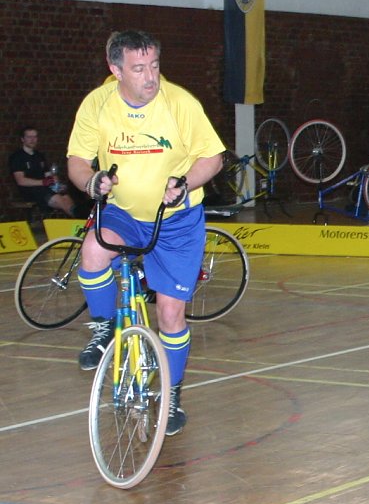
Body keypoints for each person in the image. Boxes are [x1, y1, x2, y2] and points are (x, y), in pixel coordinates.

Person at [67, 30, 225, 436]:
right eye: (139, 69)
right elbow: (78, 162)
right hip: (122, 212)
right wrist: (92, 182)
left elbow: (213, 157)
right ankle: (104, 327)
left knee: (170, 313)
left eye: (154, 66)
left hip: (176, 221)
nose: (150, 77)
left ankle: (171, 396)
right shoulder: (97, 105)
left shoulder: (180, 104)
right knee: (93, 252)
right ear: (115, 70)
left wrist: (184, 183)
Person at [9, 126, 77, 217]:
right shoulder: (17, 157)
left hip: (45, 188)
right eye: (29, 137)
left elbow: (47, 173)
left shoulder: (39, 156)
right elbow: (21, 180)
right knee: (59, 199)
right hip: (30, 190)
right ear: (22, 139)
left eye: (35, 137)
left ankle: (77, 216)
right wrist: (43, 182)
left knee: (66, 196)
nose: (32, 140)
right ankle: (79, 219)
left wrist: (54, 180)